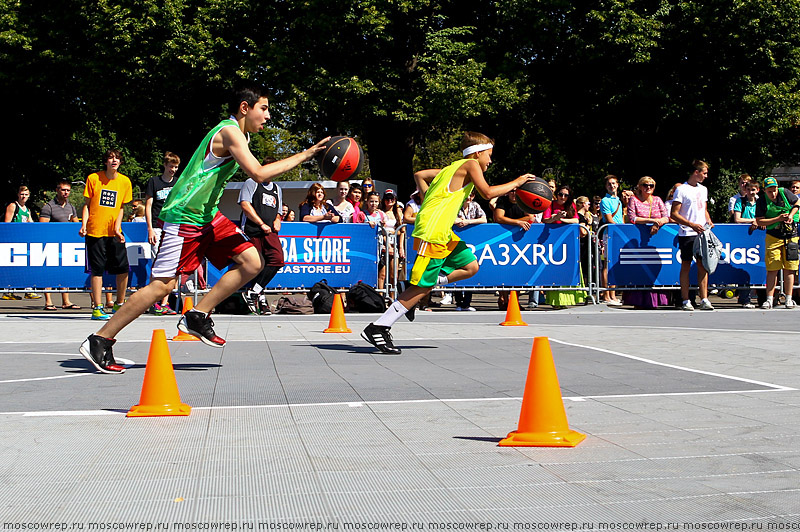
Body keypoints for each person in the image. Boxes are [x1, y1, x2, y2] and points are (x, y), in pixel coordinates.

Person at [80, 85, 328, 374]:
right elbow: (259, 173)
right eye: (264, 108)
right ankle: (99, 339)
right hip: (184, 215)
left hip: (207, 216)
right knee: (163, 286)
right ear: (245, 108)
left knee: (251, 262)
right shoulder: (229, 132)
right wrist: (306, 155)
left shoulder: (242, 134)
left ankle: (197, 314)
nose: (268, 115)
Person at [361, 131, 534, 354]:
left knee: (471, 267)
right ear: (477, 153)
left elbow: (419, 174)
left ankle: (412, 290)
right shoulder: (471, 165)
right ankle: (379, 326)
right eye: (489, 155)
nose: (490, 160)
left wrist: (430, 199)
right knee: (423, 286)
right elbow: (488, 192)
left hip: (443, 231)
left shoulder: (451, 168)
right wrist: (518, 182)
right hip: (432, 231)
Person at [79, 149, 132, 320]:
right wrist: (83, 225)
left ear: (120, 162)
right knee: (97, 270)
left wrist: (117, 228)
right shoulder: (93, 178)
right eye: (110, 158)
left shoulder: (125, 182)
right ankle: (97, 308)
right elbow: (86, 205)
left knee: (123, 269)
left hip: (114, 233)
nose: (114, 161)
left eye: (117, 158)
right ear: (106, 162)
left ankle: (120, 304)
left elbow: (121, 208)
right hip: (95, 231)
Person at [239, 158, 285, 315]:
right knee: (257, 265)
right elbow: (245, 204)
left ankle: (255, 291)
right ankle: (261, 300)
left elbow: (279, 210)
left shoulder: (277, 188)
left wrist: (278, 219)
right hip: (252, 230)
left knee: (277, 259)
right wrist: (260, 223)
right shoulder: (252, 182)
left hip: (270, 231)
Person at [671, 160, 715, 311]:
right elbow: (674, 214)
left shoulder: (703, 189)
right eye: (704, 173)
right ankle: (685, 300)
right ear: (696, 172)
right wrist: (691, 224)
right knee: (686, 265)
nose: (705, 176)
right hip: (687, 233)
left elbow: (704, 209)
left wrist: (708, 221)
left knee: (703, 265)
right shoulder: (681, 189)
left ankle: (704, 299)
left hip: (702, 233)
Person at [623, 176, 670, 309]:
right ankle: (637, 299)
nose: (648, 187)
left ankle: (656, 299)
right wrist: (652, 221)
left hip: (656, 239)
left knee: (653, 268)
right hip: (638, 238)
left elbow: (666, 216)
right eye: (645, 185)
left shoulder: (658, 200)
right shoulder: (634, 200)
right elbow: (633, 218)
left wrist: (658, 223)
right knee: (640, 268)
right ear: (640, 186)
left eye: (651, 185)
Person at [144, 151, 181, 315]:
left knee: (170, 265)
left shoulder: (179, 183)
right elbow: (149, 206)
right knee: (157, 264)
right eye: (171, 166)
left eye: (176, 167)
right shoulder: (154, 182)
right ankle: (154, 301)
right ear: (165, 165)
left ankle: (165, 303)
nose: (173, 169)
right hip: (157, 227)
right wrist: (150, 228)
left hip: (173, 227)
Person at [755, 177, 800, 309]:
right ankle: (769, 299)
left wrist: (791, 215)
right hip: (773, 236)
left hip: (791, 235)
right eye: (770, 191)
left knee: (790, 268)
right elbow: (760, 221)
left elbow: (797, 203)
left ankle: (789, 298)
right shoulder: (762, 201)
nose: (773, 193)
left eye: (774, 190)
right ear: (764, 191)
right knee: (772, 268)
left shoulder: (784, 192)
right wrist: (778, 219)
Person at [493, 188, 541, 309]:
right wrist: (518, 223)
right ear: (507, 192)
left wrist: (511, 222)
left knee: (517, 270)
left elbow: (531, 217)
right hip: (502, 238)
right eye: (512, 191)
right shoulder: (502, 200)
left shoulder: (523, 201)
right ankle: (503, 298)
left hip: (519, 240)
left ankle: (514, 300)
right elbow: (498, 218)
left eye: (516, 191)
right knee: (502, 269)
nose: (514, 194)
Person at [39, 179, 81, 310]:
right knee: (49, 272)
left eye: (68, 190)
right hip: (50, 245)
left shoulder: (71, 207)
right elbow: (42, 227)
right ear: (57, 190)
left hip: (66, 245)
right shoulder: (48, 207)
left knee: (64, 271)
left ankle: (66, 301)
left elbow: (75, 224)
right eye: (63, 190)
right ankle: (48, 302)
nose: (66, 193)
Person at [542, 185, 585, 309]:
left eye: (566, 195)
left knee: (569, 270)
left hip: (568, 242)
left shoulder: (571, 206)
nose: (563, 197)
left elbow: (576, 221)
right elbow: (545, 220)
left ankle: (569, 299)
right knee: (556, 271)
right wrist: (555, 218)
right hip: (553, 242)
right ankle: (556, 301)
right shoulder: (550, 204)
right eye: (560, 194)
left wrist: (563, 220)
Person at [2, 185, 42, 301]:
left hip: (24, 240)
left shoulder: (27, 209)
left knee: (27, 264)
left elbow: (31, 223)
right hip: (13, 240)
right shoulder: (13, 206)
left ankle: (28, 290)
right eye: (21, 194)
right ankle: (8, 291)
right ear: (18, 195)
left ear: (29, 196)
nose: (23, 196)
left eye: (26, 194)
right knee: (11, 265)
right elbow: (7, 223)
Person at [453, 190, 486, 311]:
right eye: (467, 194)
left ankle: (466, 303)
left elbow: (484, 219)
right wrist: (455, 221)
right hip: (456, 240)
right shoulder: (454, 205)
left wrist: (468, 222)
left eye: (471, 195)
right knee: (457, 267)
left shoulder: (475, 205)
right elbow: (446, 218)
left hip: (472, 241)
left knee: (471, 267)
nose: (468, 197)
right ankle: (458, 302)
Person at [732, 179, 761, 308]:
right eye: (748, 190)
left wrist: (759, 222)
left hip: (759, 238)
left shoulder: (761, 202)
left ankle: (764, 299)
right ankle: (744, 299)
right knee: (744, 267)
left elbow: (765, 218)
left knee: (761, 267)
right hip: (743, 237)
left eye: (753, 190)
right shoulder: (740, 201)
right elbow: (737, 219)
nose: (751, 192)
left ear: (757, 190)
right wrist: (753, 220)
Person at [599, 175, 623, 305]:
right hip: (610, 234)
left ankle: (613, 294)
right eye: (609, 184)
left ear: (617, 185)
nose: (612, 186)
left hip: (619, 234)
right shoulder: (605, 200)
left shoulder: (618, 200)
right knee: (607, 264)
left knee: (615, 264)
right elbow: (609, 219)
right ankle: (606, 294)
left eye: (614, 183)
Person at [380, 189, 405, 289]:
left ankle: (392, 298)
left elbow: (402, 230)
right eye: (387, 198)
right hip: (382, 245)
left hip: (394, 245)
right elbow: (381, 230)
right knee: (382, 275)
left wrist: (401, 247)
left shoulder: (397, 213)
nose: (389, 200)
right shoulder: (380, 212)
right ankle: (381, 297)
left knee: (393, 275)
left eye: (392, 198)